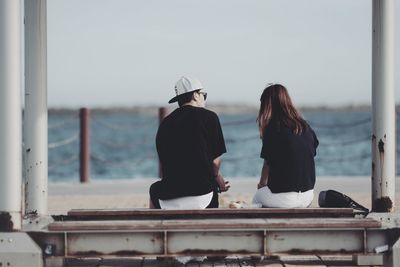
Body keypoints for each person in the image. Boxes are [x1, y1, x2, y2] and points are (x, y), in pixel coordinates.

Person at [149, 76, 230, 209]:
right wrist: (217, 177)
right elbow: (215, 160)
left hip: (168, 199)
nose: (204, 98)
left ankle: (156, 228)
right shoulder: (210, 117)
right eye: (204, 95)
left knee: (154, 189)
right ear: (195, 95)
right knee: (212, 184)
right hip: (203, 196)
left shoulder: (165, 123)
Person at [252, 84, 319, 208]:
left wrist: (262, 184)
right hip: (308, 195)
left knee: (258, 197)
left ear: (267, 105)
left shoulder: (273, 129)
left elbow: (267, 163)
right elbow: (310, 153)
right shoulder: (305, 126)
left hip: (286, 198)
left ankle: (266, 226)